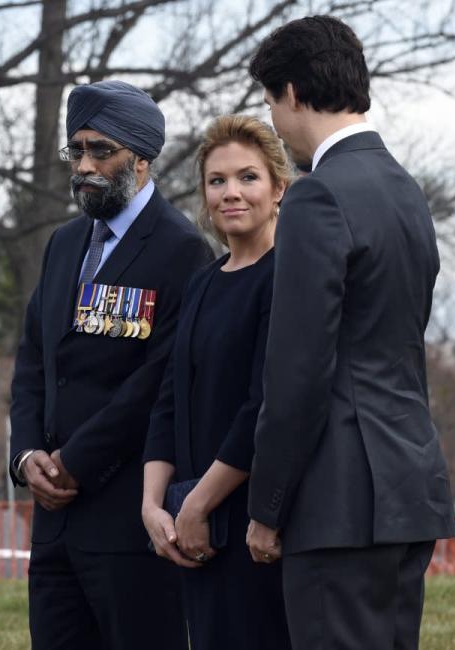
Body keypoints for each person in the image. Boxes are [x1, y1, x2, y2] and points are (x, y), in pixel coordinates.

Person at [244, 15, 455, 650]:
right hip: (406, 487)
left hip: (337, 503)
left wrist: (267, 505)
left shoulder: (319, 196)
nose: (276, 127)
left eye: (269, 105)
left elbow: (298, 372)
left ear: (290, 93)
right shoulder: (405, 191)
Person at [9, 80, 213, 649]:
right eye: (76, 151)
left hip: (129, 520)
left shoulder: (181, 249)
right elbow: (33, 362)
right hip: (54, 525)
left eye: (102, 151)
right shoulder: (64, 243)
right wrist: (26, 457)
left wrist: (75, 462)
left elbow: (157, 383)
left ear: (141, 159)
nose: (85, 166)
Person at [141, 115, 292, 650]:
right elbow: (168, 399)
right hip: (193, 528)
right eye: (217, 181)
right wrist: (153, 507)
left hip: (260, 527)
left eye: (248, 177)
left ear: (279, 188)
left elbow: (263, 406)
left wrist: (197, 507)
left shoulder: (288, 276)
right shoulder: (203, 281)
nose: (231, 193)